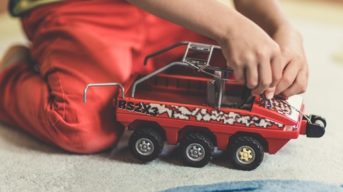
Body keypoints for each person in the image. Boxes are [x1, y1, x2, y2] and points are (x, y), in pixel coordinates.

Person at [0, 0, 308, 153]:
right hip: (81, 7)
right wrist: (231, 27)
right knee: (81, 124)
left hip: (180, 8)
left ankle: (129, 68)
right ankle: (11, 73)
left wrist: (283, 30)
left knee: (247, 66)